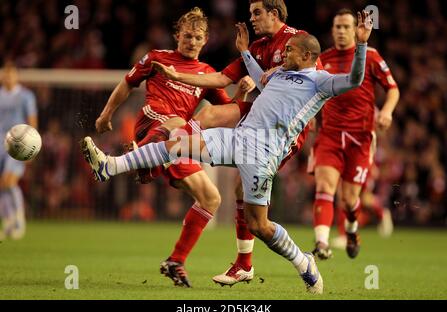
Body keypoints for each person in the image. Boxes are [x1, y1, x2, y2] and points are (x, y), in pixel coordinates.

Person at [81, 11, 374, 295]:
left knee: (259, 224)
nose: (284, 54)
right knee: (178, 142)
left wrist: (361, 45)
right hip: (237, 138)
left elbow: (355, 80)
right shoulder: (280, 75)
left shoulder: (321, 82)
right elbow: (259, 78)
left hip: (262, 154)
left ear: (307, 56)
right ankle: (110, 166)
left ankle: (302, 261)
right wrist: (246, 53)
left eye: (291, 51)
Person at [149, 0, 323, 287]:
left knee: (253, 211)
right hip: (256, 118)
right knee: (215, 126)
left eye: (257, 13)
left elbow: (317, 77)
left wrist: (312, 114)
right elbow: (219, 78)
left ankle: (266, 262)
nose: (251, 19)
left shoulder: (295, 42)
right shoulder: (255, 48)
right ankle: (244, 264)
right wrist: (176, 74)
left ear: (274, 14)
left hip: (279, 133)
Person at [92, 7, 254, 287]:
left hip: (177, 143)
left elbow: (226, 112)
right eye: (187, 36)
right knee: (180, 122)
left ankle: (176, 260)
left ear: (205, 41)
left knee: (211, 198)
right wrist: (107, 114)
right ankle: (142, 159)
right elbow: (127, 83)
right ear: (177, 36)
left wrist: (241, 92)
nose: (192, 41)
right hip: (153, 123)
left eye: (198, 37)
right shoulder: (157, 58)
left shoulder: (206, 74)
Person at [307, 9, 399, 259]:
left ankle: (351, 229)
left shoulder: (370, 56)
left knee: (349, 200)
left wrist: (387, 112)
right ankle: (322, 243)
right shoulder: (322, 59)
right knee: (325, 186)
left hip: (361, 137)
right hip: (331, 134)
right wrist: (308, 119)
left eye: (346, 27)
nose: (341, 31)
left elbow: (392, 89)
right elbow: (309, 94)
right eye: (337, 27)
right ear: (332, 30)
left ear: (354, 29)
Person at [0, 61, 38, 240]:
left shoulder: (26, 96)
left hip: (18, 143)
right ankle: (7, 222)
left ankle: (18, 220)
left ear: (16, 75)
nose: (7, 76)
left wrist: (33, 148)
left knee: (9, 181)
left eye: (10, 73)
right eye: (4, 73)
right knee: (2, 184)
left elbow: (32, 120)